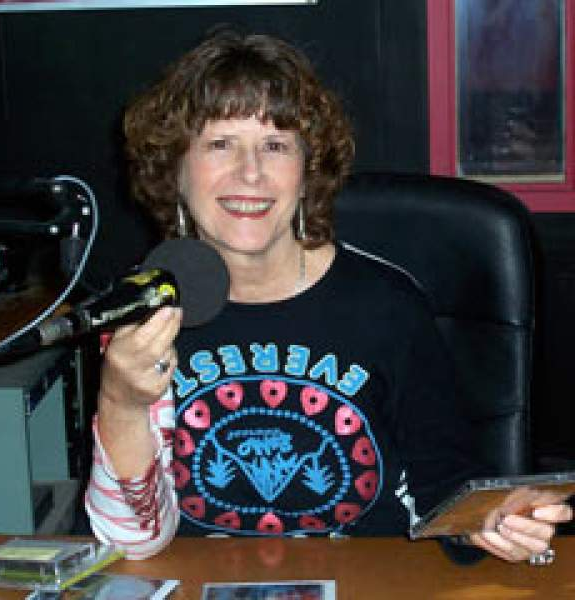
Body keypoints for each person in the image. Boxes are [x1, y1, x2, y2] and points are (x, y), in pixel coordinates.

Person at [85, 30, 572, 561]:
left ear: (307, 170)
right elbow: (132, 543)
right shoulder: (143, 312)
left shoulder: (386, 305)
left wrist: (493, 520)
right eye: (220, 144)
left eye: (275, 145)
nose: (250, 172)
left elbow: (445, 490)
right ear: (175, 170)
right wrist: (120, 400)